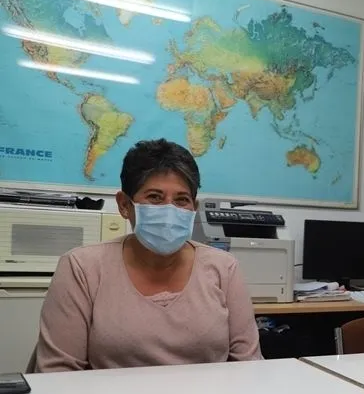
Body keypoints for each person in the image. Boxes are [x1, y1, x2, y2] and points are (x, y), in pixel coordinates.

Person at [35, 139, 262, 371]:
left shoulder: (224, 268)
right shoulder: (82, 268)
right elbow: (57, 372)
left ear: (193, 208)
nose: (169, 209)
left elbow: (248, 364)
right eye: (155, 197)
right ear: (125, 205)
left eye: (181, 200)